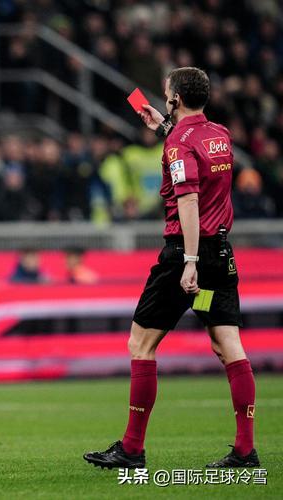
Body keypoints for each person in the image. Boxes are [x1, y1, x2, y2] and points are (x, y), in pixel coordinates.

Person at [83, 67, 259, 469]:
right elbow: (195, 157)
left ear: (175, 98)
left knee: (140, 344)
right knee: (228, 345)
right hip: (221, 257)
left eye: (166, 92)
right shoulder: (219, 134)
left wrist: (189, 262)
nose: (163, 97)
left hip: (185, 259)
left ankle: (132, 449)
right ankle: (245, 450)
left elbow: (189, 200)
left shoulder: (179, 142)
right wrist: (164, 128)